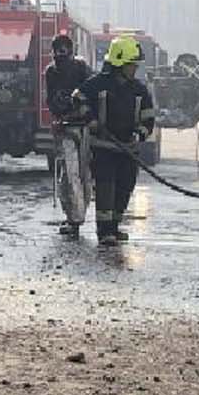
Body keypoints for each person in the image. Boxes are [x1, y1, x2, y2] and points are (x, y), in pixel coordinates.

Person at [70, 35, 156, 247]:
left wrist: (140, 134)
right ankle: (104, 231)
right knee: (106, 187)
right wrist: (90, 119)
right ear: (119, 63)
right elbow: (78, 97)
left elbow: (148, 118)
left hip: (128, 149)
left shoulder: (139, 90)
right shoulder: (98, 84)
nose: (134, 68)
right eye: (131, 64)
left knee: (125, 187)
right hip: (103, 147)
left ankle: (114, 227)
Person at [44, 35, 92, 233]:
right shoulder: (51, 72)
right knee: (70, 174)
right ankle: (74, 218)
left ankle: (77, 216)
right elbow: (51, 100)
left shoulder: (81, 69)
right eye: (58, 54)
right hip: (65, 129)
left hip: (83, 128)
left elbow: (93, 94)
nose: (60, 58)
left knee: (82, 174)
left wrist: (85, 111)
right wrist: (58, 118)